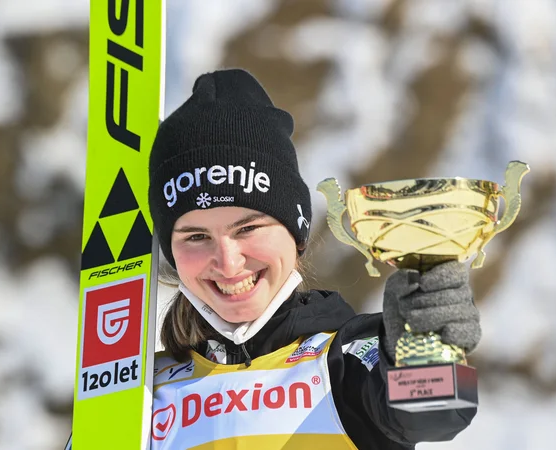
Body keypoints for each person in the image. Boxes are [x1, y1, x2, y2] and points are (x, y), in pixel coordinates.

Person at [65, 69, 481, 449]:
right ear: (169, 253)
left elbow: (436, 411)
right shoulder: (132, 395)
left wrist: (427, 344)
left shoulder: (349, 361)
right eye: (195, 236)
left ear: (296, 230)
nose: (227, 262)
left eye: (247, 228)